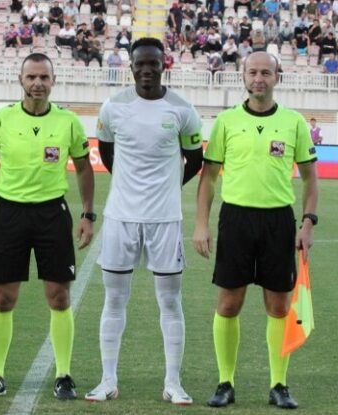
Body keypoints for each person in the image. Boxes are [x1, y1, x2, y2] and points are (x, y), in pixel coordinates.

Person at [193, 52, 319, 410]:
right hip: (236, 220)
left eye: (266, 72)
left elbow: (310, 179)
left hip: (278, 221)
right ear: (243, 76)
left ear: (278, 76)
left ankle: (279, 384)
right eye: (253, 72)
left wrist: (308, 222)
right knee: (228, 303)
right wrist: (201, 224)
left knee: (278, 306)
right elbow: (208, 178)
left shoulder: (294, 122)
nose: (259, 78)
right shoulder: (226, 121)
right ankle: (225, 382)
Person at [0, 52, 95, 400]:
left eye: (44, 77)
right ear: (20, 80)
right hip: (9, 214)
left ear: (53, 81)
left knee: (59, 296)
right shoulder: (0, 120)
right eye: (31, 77)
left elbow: (84, 168)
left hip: (53, 215)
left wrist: (87, 214)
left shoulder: (68, 122)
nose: (37, 83)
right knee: (3, 297)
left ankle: (64, 374)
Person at [84, 37, 202, 405]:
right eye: (140, 64)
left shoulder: (182, 109)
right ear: (131, 66)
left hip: (165, 219)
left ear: (164, 64)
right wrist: (130, 187)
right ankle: (107, 380)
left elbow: (195, 160)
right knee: (114, 298)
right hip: (121, 217)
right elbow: (106, 153)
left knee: (170, 301)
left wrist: (168, 187)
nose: (147, 70)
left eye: (153, 63)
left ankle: (173, 383)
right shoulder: (113, 107)